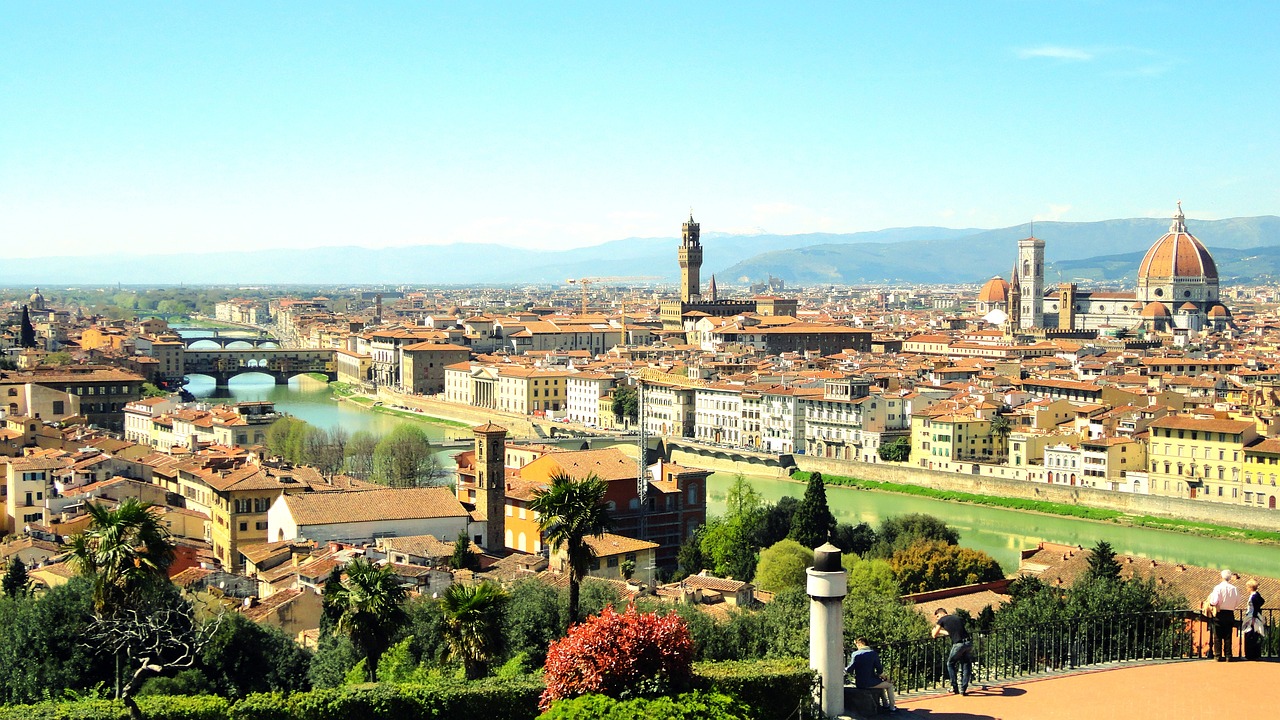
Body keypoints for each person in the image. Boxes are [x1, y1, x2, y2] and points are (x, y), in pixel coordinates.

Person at [847, 637, 897, 712]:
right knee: (889, 685)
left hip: (860, 682)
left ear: (860, 644)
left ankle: (885, 703)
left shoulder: (854, 654)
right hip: (870, 681)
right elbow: (879, 670)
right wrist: (886, 677)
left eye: (857, 644)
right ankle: (891, 707)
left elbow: (850, 669)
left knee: (880, 682)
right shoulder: (873, 654)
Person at [931, 607, 972, 696]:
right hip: (968, 642)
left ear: (941, 614)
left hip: (958, 644)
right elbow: (951, 633)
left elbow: (934, 635)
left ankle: (954, 687)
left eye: (937, 616)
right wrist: (942, 632)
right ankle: (963, 688)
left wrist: (934, 631)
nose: (937, 619)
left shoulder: (942, 620)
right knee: (966, 664)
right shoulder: (956, 618)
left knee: (950, 664)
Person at [1206, 568, 1241, 661]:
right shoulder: (1234, 589)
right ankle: (1228, 655)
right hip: (1230, 613)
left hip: (1219, 613)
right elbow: (1238, 602)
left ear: (1221, 577)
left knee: (1217, 636)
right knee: (1228, 636)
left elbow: (1214, 601)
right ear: (1230, 578)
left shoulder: (1217, 588)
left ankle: (1217, 655)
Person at [1242, 578, 1266, 661]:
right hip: (1256, 616)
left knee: (1249, 636)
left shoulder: (1253, 597)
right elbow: (1262, 601)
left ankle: (1250, 655)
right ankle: (1256, 654)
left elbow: (1255, 608)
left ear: (1250, 587)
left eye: (1247, 587)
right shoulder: (1257, 595)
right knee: (1255, 635)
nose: (1246, 588)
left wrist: (1253, 619)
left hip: (1252, 617)